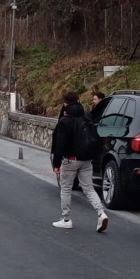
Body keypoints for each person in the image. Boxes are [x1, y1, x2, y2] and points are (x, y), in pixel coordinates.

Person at [51, 91, 109, 231]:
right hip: (87, 159)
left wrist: (56, 164)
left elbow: (60, 145)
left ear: (65, 104)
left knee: (65, 189)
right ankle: (101, 213)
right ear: (78, 100)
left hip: (70, 160)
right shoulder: (87, 116)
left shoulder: (65, 121)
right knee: (89, 188)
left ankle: (66, 219)